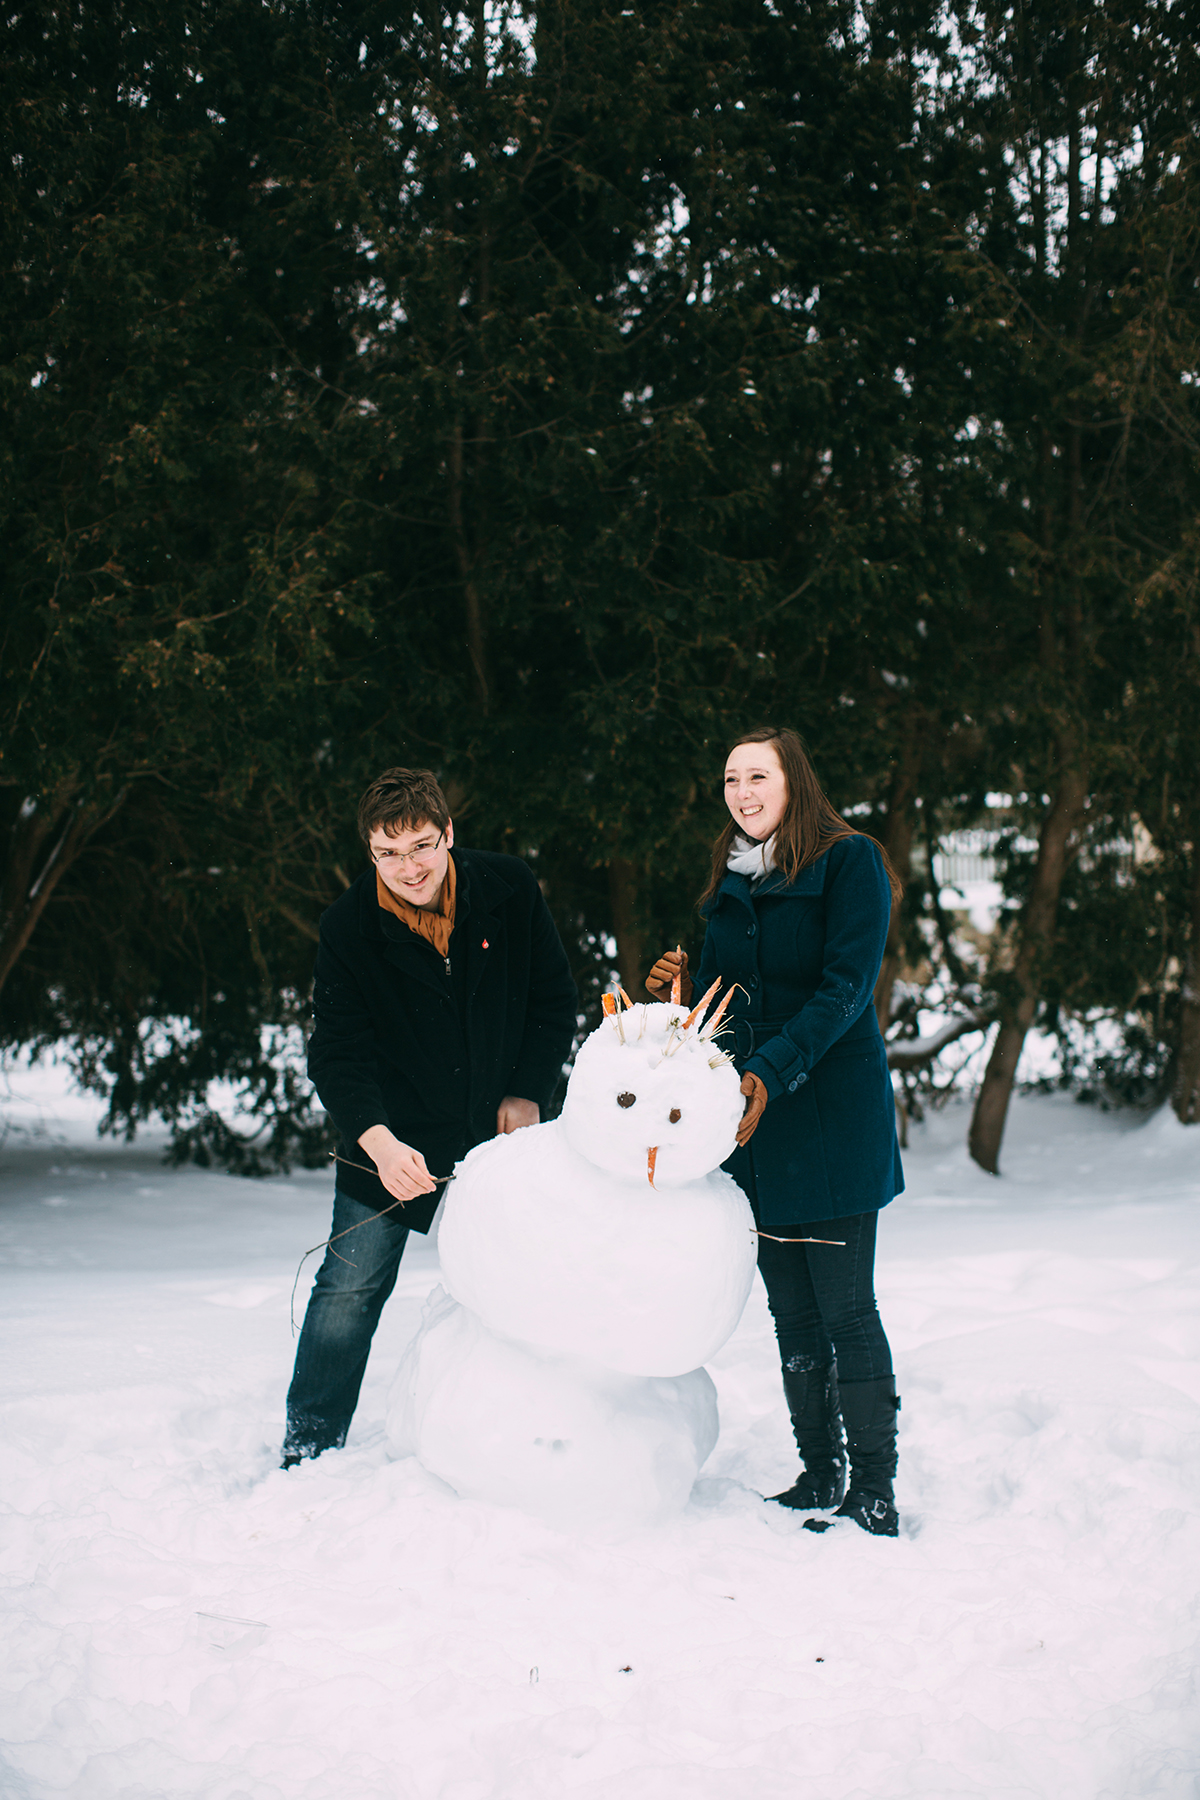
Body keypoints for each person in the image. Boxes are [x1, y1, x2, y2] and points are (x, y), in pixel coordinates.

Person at [647, 728, 904, 1535]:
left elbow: (844, 990)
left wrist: (768, 1070)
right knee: (791, 1315)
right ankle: (819, 1472)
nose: (742, 792)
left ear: (795, 783)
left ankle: (874, 1485)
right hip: (754, 1121)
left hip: (829, 1115)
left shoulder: (848, 860)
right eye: (730, 778)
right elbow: (730, 1008)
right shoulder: (728, 880)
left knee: (845, 1310)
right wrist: (686, 999)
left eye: (758, 775)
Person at [283, 767, 578, 1467]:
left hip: (500, 1133)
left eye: (420, 845)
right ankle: (309, 1446)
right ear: (370, 854)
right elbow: (337, 1055)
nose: (408, 867)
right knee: (348, 1288)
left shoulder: (509, 888)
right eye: (389, 853)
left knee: (527, 1282)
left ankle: (538, 1441)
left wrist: (530, 1091)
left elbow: (553, 998)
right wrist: (378, 1142)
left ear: (449, 833)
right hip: (389, 1134)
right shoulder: (348, 927)